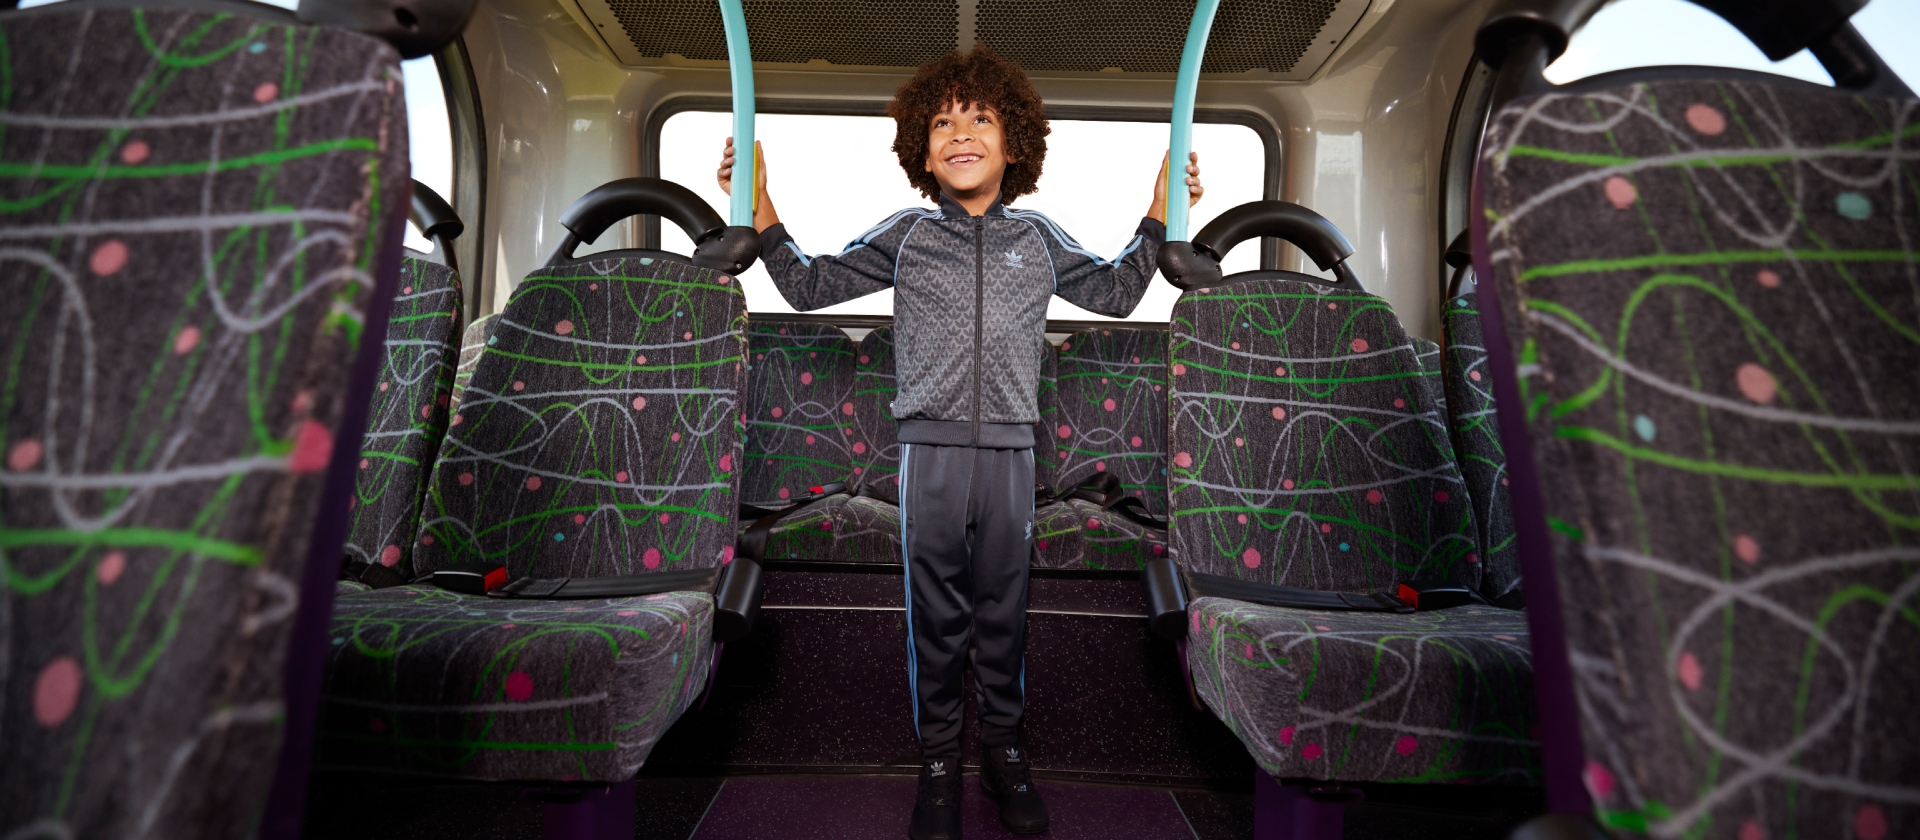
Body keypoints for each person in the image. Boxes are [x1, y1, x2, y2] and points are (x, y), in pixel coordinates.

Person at [717, 45, 1201, 840]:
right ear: (923, 147)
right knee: (936, 617)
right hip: (929, 456)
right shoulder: (909, 234)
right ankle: (939, 763)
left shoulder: (1037, 237)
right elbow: (808, 285)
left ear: (1014, 144)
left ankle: (1005, 752)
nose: (962, 134)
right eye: (943, 123)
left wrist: (1158, 213)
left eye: (981, 119)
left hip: (1012, 455)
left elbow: (1118, 293)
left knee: (1003, 614)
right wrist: (760, 204)